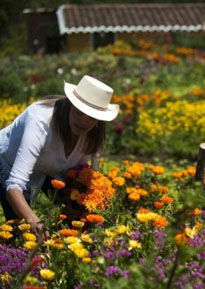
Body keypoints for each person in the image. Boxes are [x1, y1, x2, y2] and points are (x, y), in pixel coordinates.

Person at [0, 75, 119, 232]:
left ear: (99, 120)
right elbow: (14, 184)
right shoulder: (40, 121)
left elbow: (79, 177)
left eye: (91, 117)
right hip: (7, 164)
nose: (83, 121)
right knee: (19, 230)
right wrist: (33, 220)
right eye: (79, 112)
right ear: (70, 105)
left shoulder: (91, 135)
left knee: (78, 213)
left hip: (47, 169)